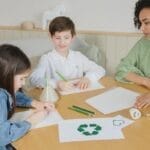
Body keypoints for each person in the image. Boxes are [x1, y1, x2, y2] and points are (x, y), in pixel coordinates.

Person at [0, 44, 55, 150]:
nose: (24, 83)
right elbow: (2, 135)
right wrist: (30, 122)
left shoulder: (4, 88)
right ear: (6, 75)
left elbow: (13, 95)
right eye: (21, 79)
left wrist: (33, 103)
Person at [29, 16, 105, 91]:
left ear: (73, 37)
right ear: (51, 36)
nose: (62, 42)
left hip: (76, 96)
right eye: (58, 38)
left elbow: (100, 70)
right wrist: (57, 83)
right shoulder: (47, 58)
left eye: (66, 38)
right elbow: (34, 79)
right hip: (56, 99)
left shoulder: (78, 56)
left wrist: (88, 78)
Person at [115, 0, 150, 108]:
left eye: (147, 22)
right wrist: (145, 81)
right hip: (141, 98)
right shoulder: (143, 43)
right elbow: (121, 69)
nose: (142, 28)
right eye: (141, 23)